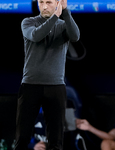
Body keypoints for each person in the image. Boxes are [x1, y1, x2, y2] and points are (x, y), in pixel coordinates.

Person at [14, 0, 80, 149]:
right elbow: (36, 36)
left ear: (57, 3)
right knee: (22, 138)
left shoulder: (63, 25)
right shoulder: (28, 22)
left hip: (56, 87)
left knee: (56, 140)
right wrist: (55, 16)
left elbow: (75, 36)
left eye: (49, 2)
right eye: (41, 2)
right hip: (30, 86)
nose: (44, 6)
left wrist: (65, 11)